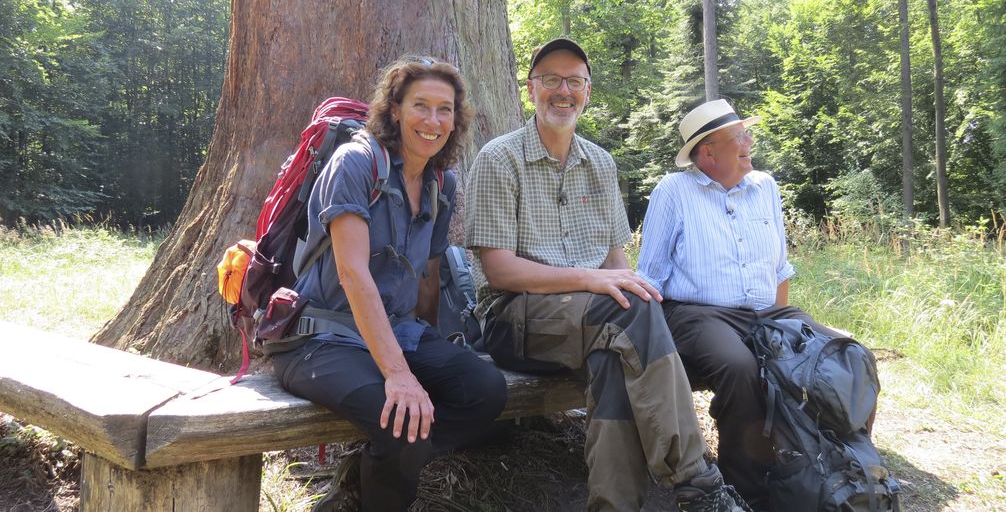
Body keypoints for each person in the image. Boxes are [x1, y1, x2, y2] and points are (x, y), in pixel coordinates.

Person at [465, 39, 750, 512]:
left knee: (618, 358)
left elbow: (615, 262)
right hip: (512, 320)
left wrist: (618, 285)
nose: (563, 90)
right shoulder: (500, 158)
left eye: (574, 81)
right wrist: (593, 281)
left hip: (592, 322)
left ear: (588, 91)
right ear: (530, 89)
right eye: (551, 79)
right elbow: (499, 269)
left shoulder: (600, 163)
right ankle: (698, 484)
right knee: (627, 311)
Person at [270, 57, 507, 512]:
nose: (433, 121)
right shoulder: (355, 162)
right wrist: (400, 374)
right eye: (421, 105)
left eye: (445, 109)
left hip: (398, 329)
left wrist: (436, 353)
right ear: (395, 108)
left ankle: (372, 474)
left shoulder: (442, 181)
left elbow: (429, 275)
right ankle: (389, 467)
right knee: (401, 425)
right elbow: (352, 273)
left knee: (485, 390)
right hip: (321, 338)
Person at [636, 98, 866, 510]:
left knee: (846, 356)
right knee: (741, 367)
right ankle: (746, 492)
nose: (750, 141)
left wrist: (781, 329)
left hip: (765, 312)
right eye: (739, 136)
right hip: (694, 313)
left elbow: (779, 268)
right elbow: (650, 276)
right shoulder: (675, 191)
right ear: (707, 152)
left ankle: (840, 470)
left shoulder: (765, 187)